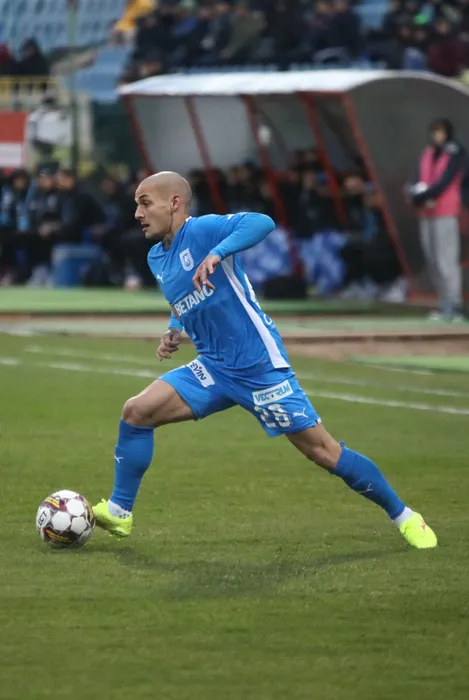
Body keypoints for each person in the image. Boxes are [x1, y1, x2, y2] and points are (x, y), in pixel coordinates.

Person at [93, 171, 437, 550]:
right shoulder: (157, 256)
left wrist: (218, 252)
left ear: (174, 203)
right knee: (137, 412)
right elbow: (183, 298)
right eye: (136, 205)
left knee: (324, 452)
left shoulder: (203, 230)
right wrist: (175, 328)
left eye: (145, 203)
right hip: (213, 366)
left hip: (258, 367)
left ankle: (405, 516)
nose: (138, 214)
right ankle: (120, 512)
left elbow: (262, 222)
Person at [408, 118, 466, 320]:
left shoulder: (455, 153)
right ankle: (444, 303)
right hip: (426, 212)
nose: (436, 136)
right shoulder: (428, 152)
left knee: (446, 259)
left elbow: (446, 180)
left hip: (445, 211)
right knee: (432, 259)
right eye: (434, 132)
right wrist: (417, 194)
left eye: (440, 132)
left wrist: (427, 195)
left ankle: (455, 305)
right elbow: (418, 176)